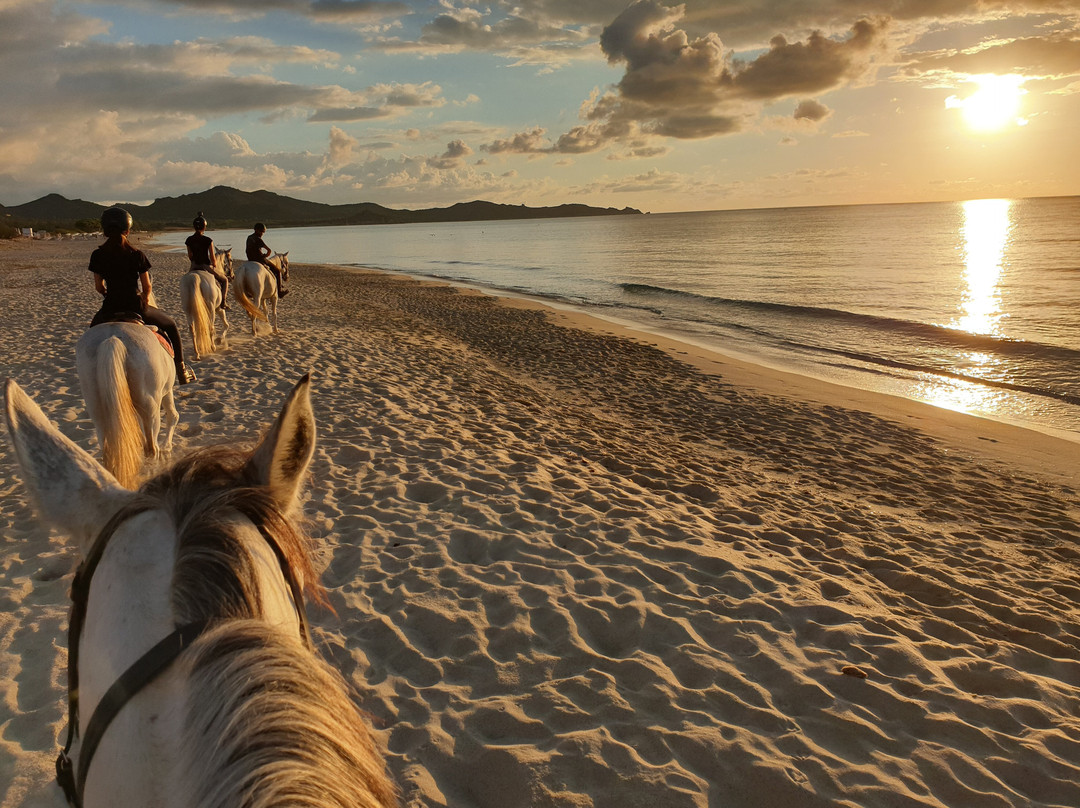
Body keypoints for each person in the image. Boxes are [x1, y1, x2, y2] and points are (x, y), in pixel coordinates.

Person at [89, 207, 197, 385]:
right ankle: (181, 371)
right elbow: (147, 286)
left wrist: (108, 293)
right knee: (171, 326)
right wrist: (145, 298)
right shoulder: (136, 254)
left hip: (109, 308)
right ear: (128, 229)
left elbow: (99, 287)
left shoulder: (98, 255)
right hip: (135, 306)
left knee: (91, 335)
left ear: (105, 229)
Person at [185, 211, 230, 310]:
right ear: (204, 227)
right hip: (205, 266)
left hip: (193, 265)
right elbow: (213, 258)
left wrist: (194, 262)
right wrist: (214, 264)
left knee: (185, 280)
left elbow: (190, 255)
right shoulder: (208, 240)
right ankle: (223, 302)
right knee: (225, 280)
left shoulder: (189, 240)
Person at [245, 222, 288, 297]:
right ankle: (280, 291)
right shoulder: (258, 239)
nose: (262, 233)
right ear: (256, 230)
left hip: (250, 260)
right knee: (277, 271)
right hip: (260, 260)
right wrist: (266, 255)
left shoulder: (249, 237)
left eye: (263, 232)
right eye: (261, 231)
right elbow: (269, 250)